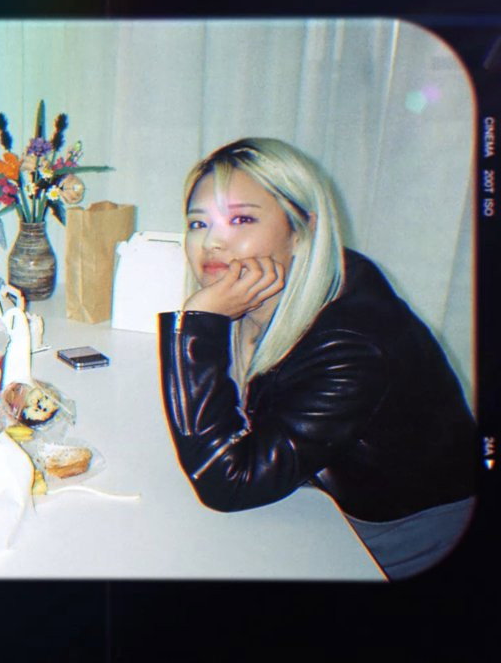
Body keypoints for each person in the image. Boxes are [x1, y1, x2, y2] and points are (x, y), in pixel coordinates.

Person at [159, 138, 476, 580]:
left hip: (398, 534)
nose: (212, 241)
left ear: (302, 228)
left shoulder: (350, 344)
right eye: (198, 223)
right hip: (322, 497)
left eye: (241, 219)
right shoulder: (271, 291)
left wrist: (198, 322)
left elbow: (227, 484)